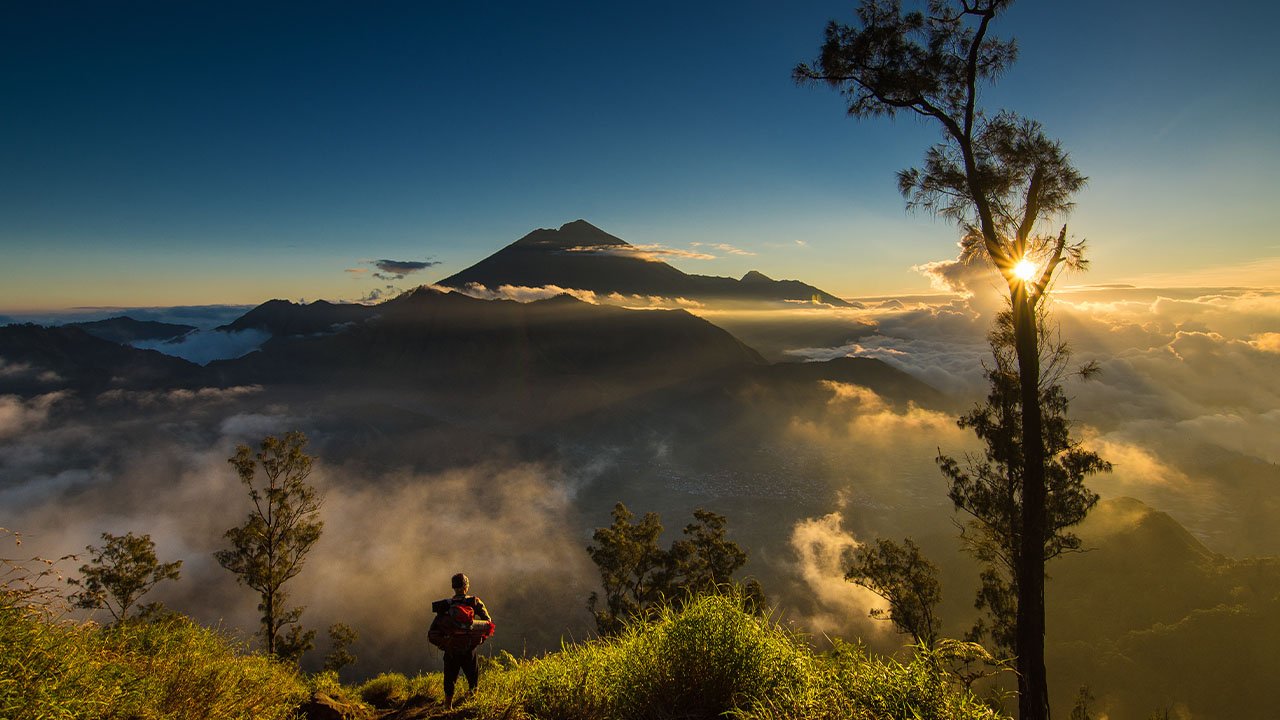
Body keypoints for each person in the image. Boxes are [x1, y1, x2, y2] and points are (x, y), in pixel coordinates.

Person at [428, 572, 493, 709]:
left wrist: (445, 644)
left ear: (453, 587)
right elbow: (488, 622)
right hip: (469, 648)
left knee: (450, 678)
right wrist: (478, 638)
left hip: (451, 648)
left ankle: (447, 706)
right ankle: (473, 706)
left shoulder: (445, 605)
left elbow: (432, 631)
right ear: (466, 587)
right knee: (473, 677)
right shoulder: (474, 602)